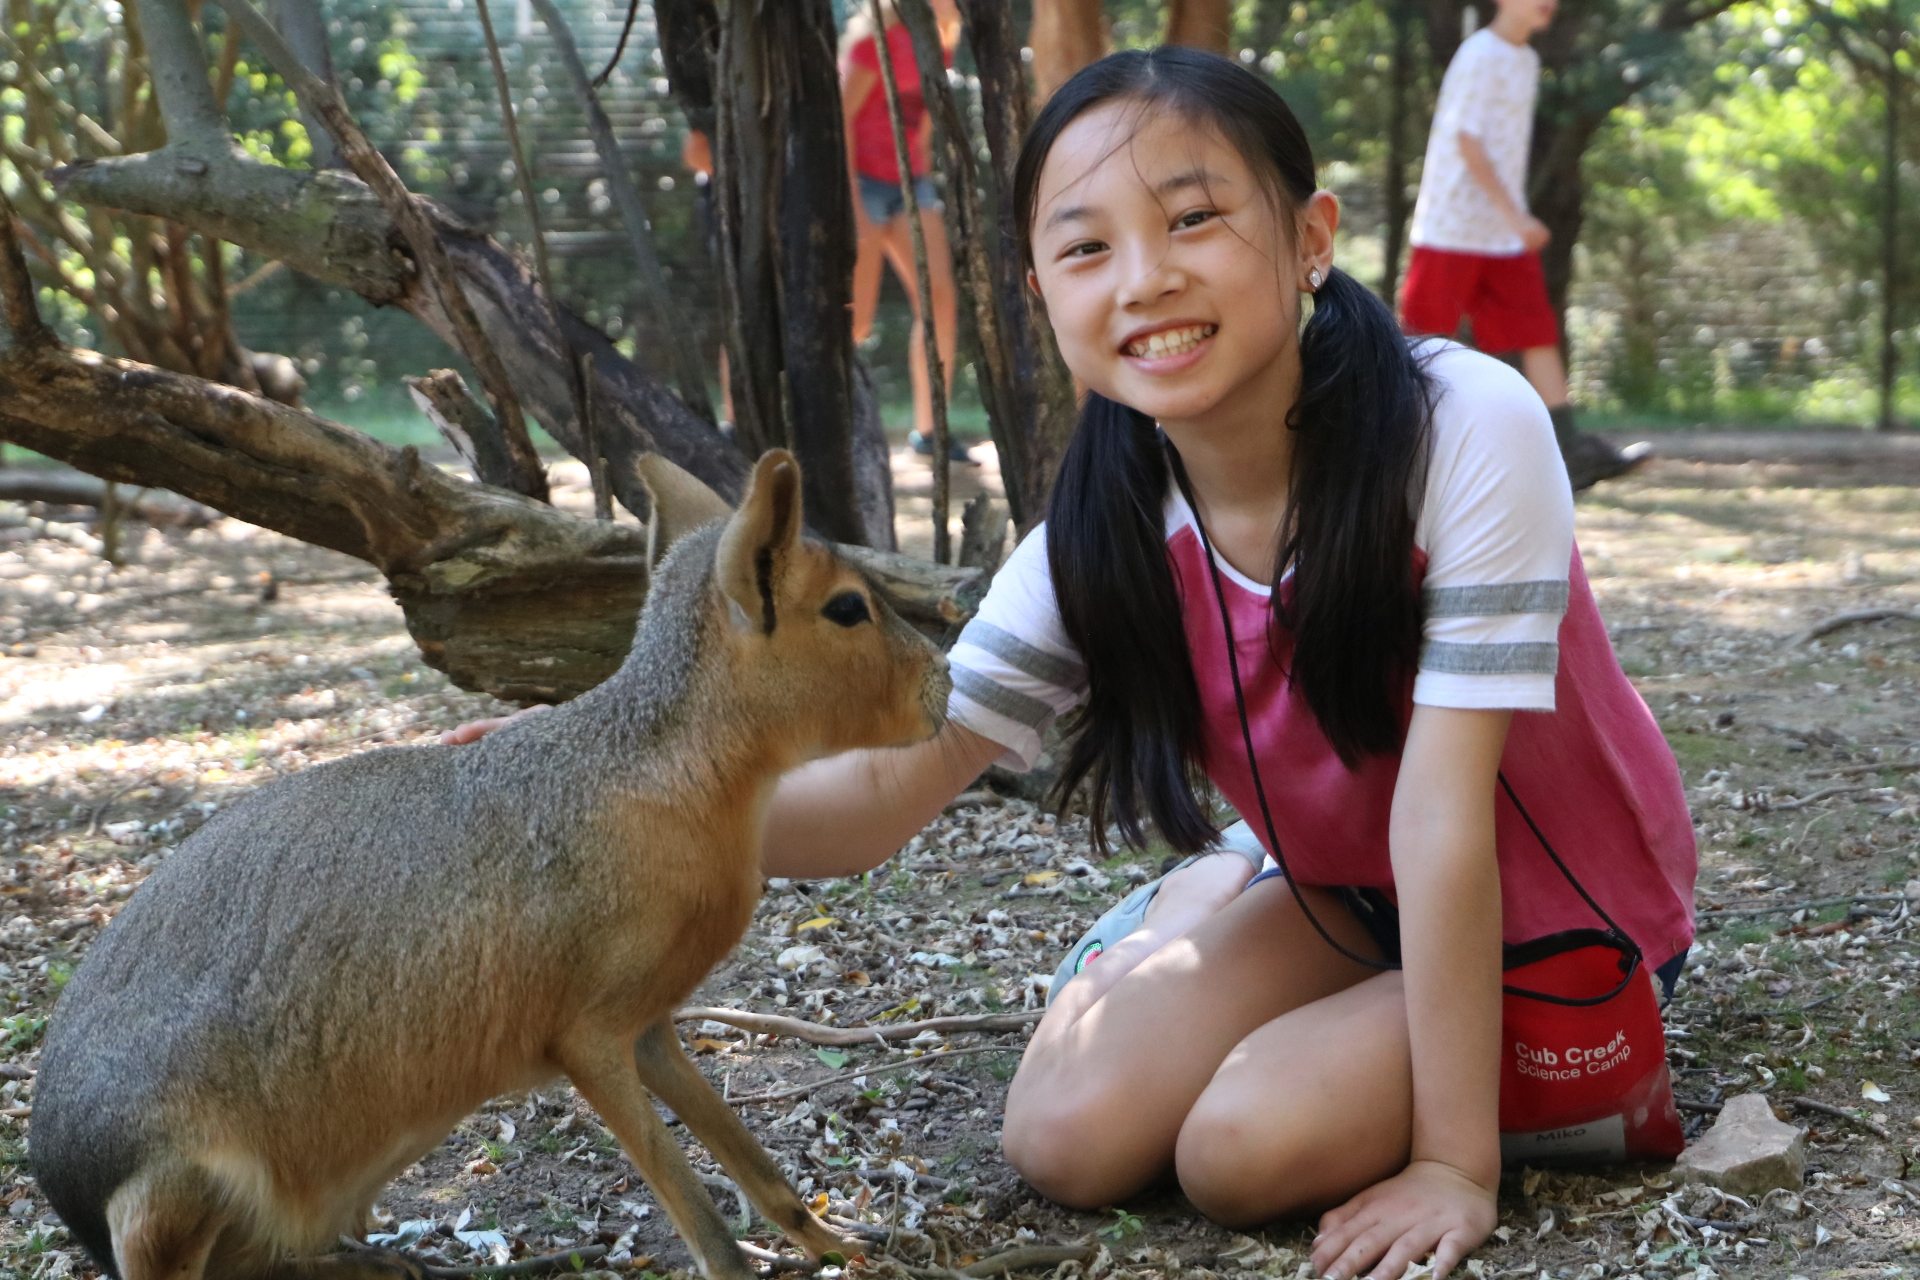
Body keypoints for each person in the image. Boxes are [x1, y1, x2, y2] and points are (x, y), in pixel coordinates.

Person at [449, 48, 1697, 1280]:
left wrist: (1454, 1166)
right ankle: (1210, 894)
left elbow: (1441, 811)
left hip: (1554, 922)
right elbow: (890, 790)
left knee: (1241, 1153)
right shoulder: (1099, 535)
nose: (1145, 281)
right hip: (1347, 892)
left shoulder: (1467, 424)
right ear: (1041, 289)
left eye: (1195, 219)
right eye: (1087, 246)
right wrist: (582, 801)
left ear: (1311, 236)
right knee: (1065, 1137)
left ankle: (1228, 906)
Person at [1399, 0, 1648, 491]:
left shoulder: (1525, 59)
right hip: (1453, 226)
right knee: (1422, 341)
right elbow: (1467, 143)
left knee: (1535, 331)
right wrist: (1516, 214)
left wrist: (1511, 218)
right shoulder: (1479, 54)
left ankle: (1569, 451)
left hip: (1502, 233)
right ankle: (1402, 452)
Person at [839, 0, 975, 464]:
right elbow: (840, 123)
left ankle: (930, 431)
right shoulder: (870, 44)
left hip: (910, 182)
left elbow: (924, 124)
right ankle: (840, 427)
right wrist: (852, 202)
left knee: (940, 300)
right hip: (861, 183)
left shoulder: (939, 45)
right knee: (855, 317)